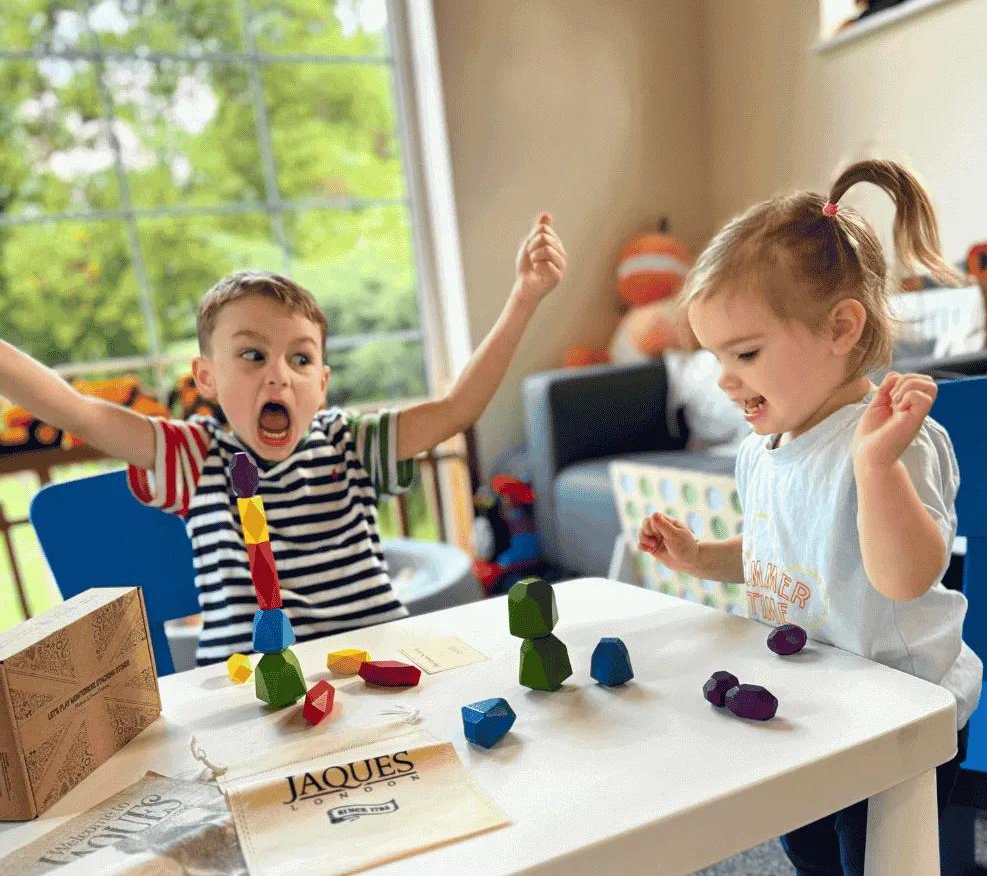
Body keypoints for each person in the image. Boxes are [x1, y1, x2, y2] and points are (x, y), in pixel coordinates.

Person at [637, 160, 982, 876]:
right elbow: (778, 556)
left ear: (840, 329)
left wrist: (876, 469)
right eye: (715, 357)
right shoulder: (765, 446)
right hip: (817, 705)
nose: (723, 380)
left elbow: (907, 576)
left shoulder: (892, 441)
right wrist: (702, 558)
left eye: (745, 354)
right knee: (815, 864)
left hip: (903, 716)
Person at [0, 214, 566, 665]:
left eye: (300, 358)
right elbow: (77, 411)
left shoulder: (351, 442)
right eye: (252, 355)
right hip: (248, 695)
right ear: (207, 378)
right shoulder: (193, 458)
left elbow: (456, 408)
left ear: (321, 385)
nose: (279, 375)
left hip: (380, 667)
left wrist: (524, 297)